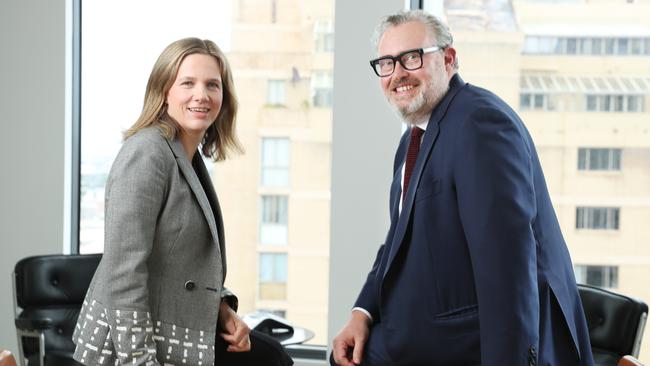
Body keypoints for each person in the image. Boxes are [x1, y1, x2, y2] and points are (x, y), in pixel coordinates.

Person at [331, 10, 595, 366]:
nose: (398, 74)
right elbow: (396, 242)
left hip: (473, 345)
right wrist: (361, 313)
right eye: (387, 63)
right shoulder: (414, 138)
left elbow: (509, 269)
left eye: (412, 57)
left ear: (449, 59)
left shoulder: (480, 124)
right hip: (423, 333)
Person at [72, 37, 292, 366]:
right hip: (135, 343)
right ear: (164, 92)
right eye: (187, 83)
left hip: (176, 328)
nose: (201, 95)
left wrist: (223, 310)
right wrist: (139, 360)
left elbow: (180, 264)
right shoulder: (147, 153)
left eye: (212, 85)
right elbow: (124, 274)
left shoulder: (187, 157)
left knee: (270, 355)